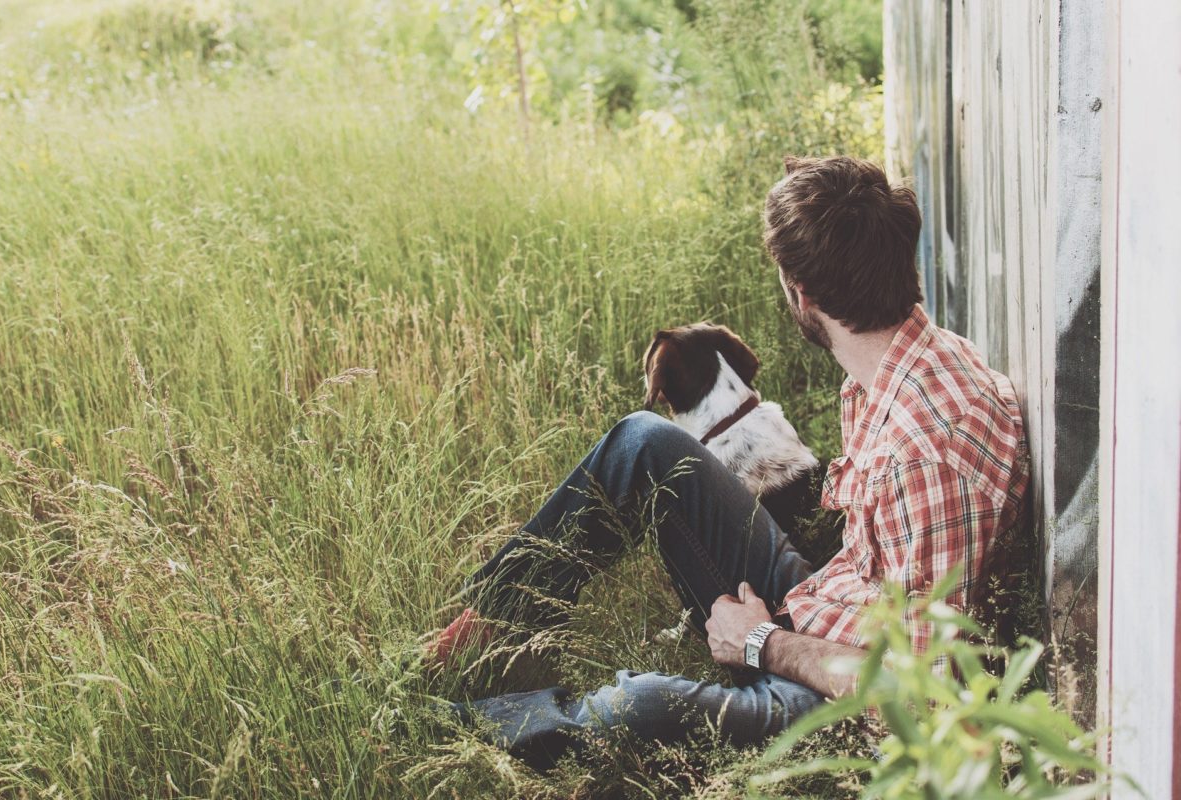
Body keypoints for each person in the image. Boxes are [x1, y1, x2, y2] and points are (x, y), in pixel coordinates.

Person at [429, 155, 1029, 767]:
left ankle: (435, 727)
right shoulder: (901, 365)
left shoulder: (923, 451)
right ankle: (483, 628)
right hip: (837, 612)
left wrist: (763, 642)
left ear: (802, 295)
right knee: (644, 441)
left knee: (633, 707)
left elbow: (921, 695)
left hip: (848, 705)